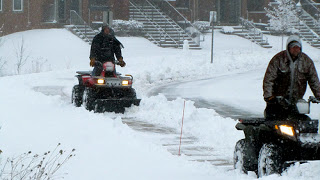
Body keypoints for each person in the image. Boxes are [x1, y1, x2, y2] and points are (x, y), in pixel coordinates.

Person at [263, 35, 320, 119]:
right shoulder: (278, 59)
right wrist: (269, 97)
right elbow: (269, 79)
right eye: (293, 47)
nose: (295, 49)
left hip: (296, 101)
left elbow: (314, 80)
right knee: (274, 121)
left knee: (304, 122)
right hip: (278, 101)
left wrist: (318, 94)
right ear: (288, 48)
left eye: (297, 47)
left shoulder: (306, 61)